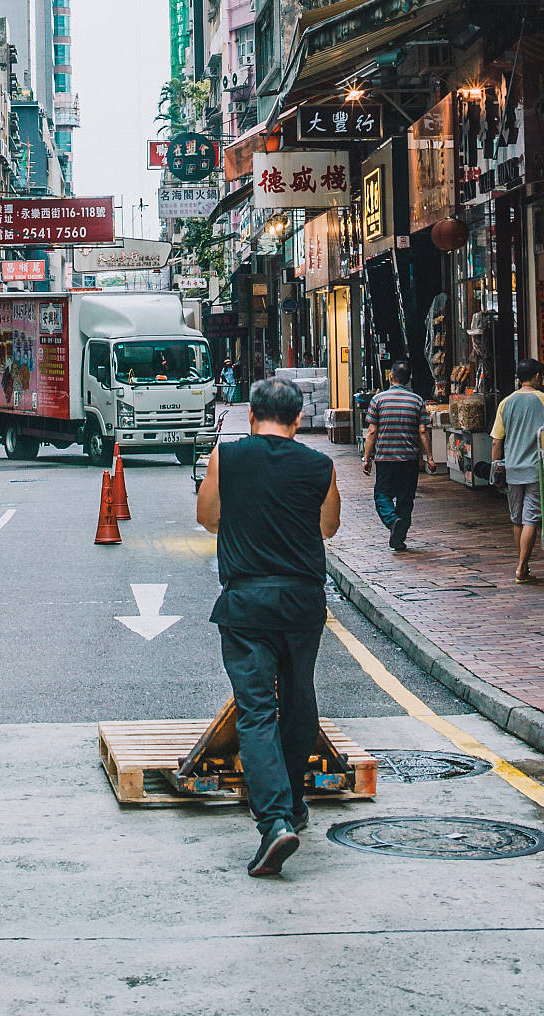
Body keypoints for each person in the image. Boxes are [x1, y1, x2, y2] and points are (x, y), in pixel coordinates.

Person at [196, 376, 341, 879]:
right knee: (299, 698)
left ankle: (276, 819)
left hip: (247, 600)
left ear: (251, 416)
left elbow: (207, 517)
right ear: (299, 419)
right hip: (303, 602)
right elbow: (328, 527)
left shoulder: (228, 458)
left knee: (257, 710)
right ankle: (294, 802)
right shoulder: (319, 465)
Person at [491, 359, 544, 585]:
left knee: (517, 519)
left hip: (512, 469)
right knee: (532, 519)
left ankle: (523, 563)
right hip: (536, 469)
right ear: (538, 376)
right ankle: (521, 568)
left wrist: (497, 467)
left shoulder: (506, 403)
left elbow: (496, 441)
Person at [362, 360, 432, 554]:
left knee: (382, 496)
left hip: (386, 458)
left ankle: (393, 522)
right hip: (409, 459)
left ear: (391, 377)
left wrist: (366, 458)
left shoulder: (378, 400)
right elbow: (423, 431)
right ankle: (399, 539)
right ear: (409, 379)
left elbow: (372, 431)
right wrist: (430, 458)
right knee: (405, 499)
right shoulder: (417, 401)